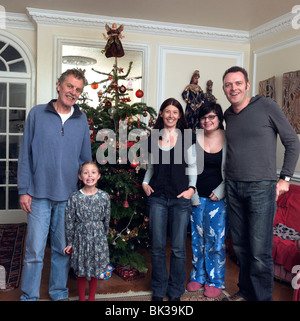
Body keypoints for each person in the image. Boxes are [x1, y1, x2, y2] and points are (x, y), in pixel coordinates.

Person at [222, 66, 300, 301]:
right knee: (241, 247)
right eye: (228, 85)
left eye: (237, 83)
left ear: (247, 85)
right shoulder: (228, 115)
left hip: (261, 189)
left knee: (259, 252)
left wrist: (285, 178)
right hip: (233, 187)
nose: (233, 88)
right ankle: (245, 292)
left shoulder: (267, 106)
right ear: (224, 89)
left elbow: (292, 141)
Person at [18, 69, 92, 301]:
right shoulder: (37, 114)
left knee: (63, 251)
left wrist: (84, 194)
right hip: (38, 194)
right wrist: (24, 190)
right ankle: (29, 296)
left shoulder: (81, 121)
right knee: (34, 252)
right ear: (58, 85)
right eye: (70, 86)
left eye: (78, 89)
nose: (73, 92)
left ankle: (58, 293)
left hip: (68, 197)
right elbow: (25, 155)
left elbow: (85, 160)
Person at [142, 98, 196, 301]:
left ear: (179, 115)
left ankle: (175, 290)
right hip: (157, 198)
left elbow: (193, 167)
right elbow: (151, 168)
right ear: (162, 114)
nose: (171, 115)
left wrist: (192, 189)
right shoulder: (153, 138)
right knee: (156, 247)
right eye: (167, 111)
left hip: (180, 199)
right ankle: (158, 288)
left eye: (175, 112)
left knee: (178, 248)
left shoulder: (188, 137)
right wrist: (145, 183)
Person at [186, 102, 227, 298]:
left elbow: (233, 168)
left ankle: (216, 280)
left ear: (219, 118)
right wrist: (192, 193)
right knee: (197, 239)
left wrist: (221, 190)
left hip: (218, 197)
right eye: (203, 118)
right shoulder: (193, 139)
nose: (207, 121)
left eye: (211, 117)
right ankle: (198, 276)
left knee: (216, 241)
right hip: (196, 196)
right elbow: (187, 168)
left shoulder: (229, 139)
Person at [64, 161, 111, 301]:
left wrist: (103, 238)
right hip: (80, 237)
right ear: (80, 176)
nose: (89, 175)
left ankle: (91, 298)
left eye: (93, 172)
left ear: (98, 176)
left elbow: (106, 220)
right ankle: (81, 299)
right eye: (85, 172)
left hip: (98, 237)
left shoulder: (104, 197)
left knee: (95, 268)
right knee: (81, 269)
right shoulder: (75, 197)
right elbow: (69, 221)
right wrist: (70, 242)